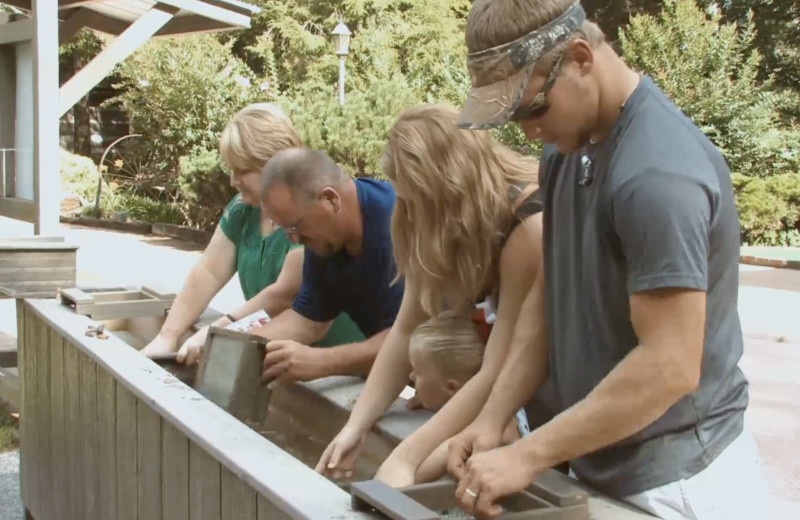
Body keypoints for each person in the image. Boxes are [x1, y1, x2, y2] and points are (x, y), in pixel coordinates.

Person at [447, 1, 769, 519]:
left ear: (580, 57)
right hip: (599, 462)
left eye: (534, 110)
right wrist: (493, 417)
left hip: (681, 483)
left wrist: (528, 454)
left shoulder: (657, 174)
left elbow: (669, 366)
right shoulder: (566, 151)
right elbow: (551, 298)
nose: (528, 133)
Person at [315, 104, 544, 486]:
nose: (409, 211)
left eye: (418, 199)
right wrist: (355, 427)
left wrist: (405, 458)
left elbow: (498, 369)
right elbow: (404, 330)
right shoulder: (424, 218)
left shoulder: (529, 225)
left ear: (450, 186)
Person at [141, 104, 363, 364]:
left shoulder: (313, 211)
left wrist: (216, 331)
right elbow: (208, 271)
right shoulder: (242, 208)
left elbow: (284, 294)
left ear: (276, 165)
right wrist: (168, 335)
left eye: (243, 171)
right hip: (279, 359)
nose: (233, 181)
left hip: (339, 363)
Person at [251, 148, 404, 384]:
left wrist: (322, 361)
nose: (295, 240)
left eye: (296, 226)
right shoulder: (325, 240)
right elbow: (307, 320)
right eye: (286, 231)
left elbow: (417, 336)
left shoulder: (399, 225)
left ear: (330, 199)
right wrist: (228, 344)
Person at [407, 311, 526, 484]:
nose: (410, 377)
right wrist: (434, 401)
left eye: (417, 372)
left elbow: (418, 473)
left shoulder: (497, 425)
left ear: (452, 388)